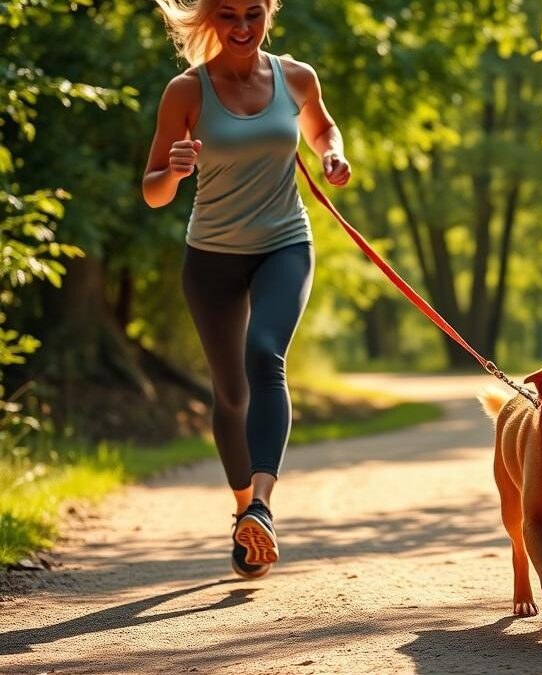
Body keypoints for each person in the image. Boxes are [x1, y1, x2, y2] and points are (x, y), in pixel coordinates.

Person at [142, 0, 351, 579]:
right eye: (228, 15)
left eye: (253, 14)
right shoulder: (186, 91)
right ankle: (244, 516)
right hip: (210, 257)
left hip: (285, 244)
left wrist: (332, 153)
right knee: (230, 395)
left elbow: (321, 126)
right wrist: (175, 170)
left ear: (268, 15)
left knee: (265, 354)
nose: (241, 28)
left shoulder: (296, 77)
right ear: (209, 21)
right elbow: (153, 190)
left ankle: (262, 502)